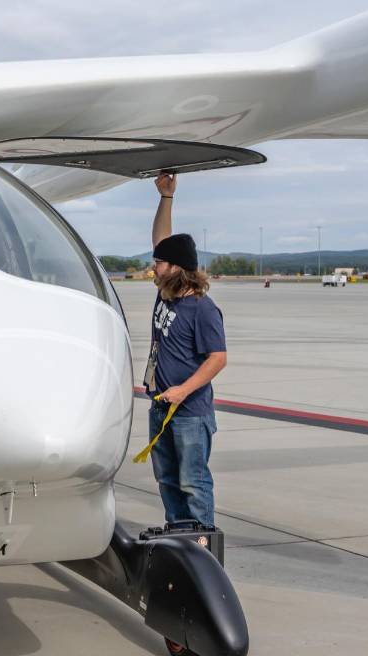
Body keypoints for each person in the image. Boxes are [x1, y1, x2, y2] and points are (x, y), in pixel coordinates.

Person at [144, 173, 228, 526]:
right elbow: (163, 241)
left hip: (190, 412)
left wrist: (183, 389)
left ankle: (202, 545)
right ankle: (178, 538)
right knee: (166, 481)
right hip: (161, 407)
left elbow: (218, 358)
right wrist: (166, 198)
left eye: (159, 263)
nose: (154, 266)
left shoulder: (202, 310)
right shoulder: (166, 294)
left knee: (192, 483)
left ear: (176, 269)